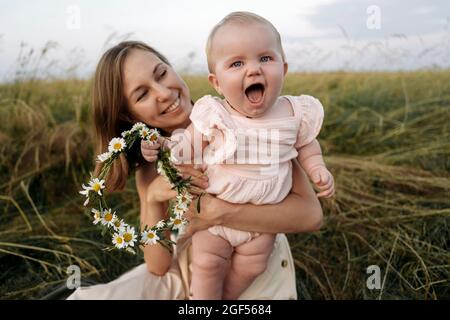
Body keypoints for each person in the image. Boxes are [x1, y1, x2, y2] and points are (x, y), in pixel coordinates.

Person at [67, 38, 326, 300]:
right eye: (142, 94)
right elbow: (158, 266)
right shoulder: (151, 168)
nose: (164, 93)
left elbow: (310, 216)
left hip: (254, 265)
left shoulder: (240, 117)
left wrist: (221, 213)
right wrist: (152, 197)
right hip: (191, 266)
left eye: (162, 74)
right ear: (129, 116)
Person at [160, 12, 334, 300]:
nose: (253, 70)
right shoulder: (217, 114)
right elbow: (189, 143)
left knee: (252, 267)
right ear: (216, 83)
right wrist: (175, 156)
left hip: (262, 221)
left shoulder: (294, 112)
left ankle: (227, 298)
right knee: (206, 264)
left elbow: (307, 146)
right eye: (237, 63)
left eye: (265, 58)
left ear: (284, 68)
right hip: (216, 219)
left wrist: (317, 169)